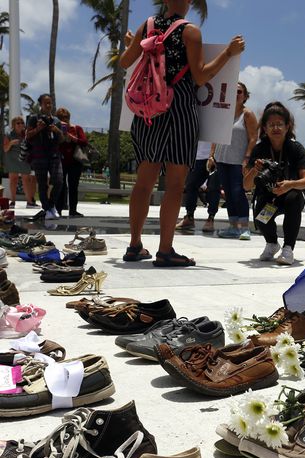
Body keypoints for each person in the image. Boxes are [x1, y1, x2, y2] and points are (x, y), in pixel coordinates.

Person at [119, 0, 245, 266]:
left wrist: (136, 42)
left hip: (147, 112)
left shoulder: (148, 25)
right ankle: (165, 250)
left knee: (144, 182)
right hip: (178, 110)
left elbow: (124, 61)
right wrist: (229, 54)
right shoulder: (190, 31)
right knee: (175, 184)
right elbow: (200, 77)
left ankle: (134, 246)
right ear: (188, 3)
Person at [244, 102, 305, 265]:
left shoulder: (295, 148)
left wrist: (289, 184)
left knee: (293, 199)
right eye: (271, 125)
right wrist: (254, 170)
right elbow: (246, 186)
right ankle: (272, 243)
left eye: (280, 124)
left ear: (287, 127)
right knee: (260, 216)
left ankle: (288, 248)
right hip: (270, 197)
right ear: (264, 128)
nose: (276, 128)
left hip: (290, 195)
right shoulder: (259, 149)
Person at [212, 81, 258, 239]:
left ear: (245, 96)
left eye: (239, 92)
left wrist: (247, 158)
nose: (236, 94)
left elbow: (253, 138)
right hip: (222, 158)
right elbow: (215, 135)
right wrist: (212, 156)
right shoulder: (224, 113)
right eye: (233, 91)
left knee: (239, 193)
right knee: (228, 194)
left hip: (238, 160)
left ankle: (244, 227)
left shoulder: (248, 114)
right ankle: (233, 226)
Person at [24, 93, 64, 220]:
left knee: (58, 181)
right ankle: (47, 209)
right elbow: (27, 136)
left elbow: (63, 139)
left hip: (54, 155)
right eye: (46, 103)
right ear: (40, 104)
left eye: (50, 102)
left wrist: (57, 131)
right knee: (42, 184)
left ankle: (51, 206)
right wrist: (38, 129)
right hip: (39, 155)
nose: (49, 105)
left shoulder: (56, 121)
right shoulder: (34, 118)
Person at [175, 141, 221, 232]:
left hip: (215, 156)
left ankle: (211, 218)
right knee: (190, 185)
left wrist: (212, 154)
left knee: (213, 187)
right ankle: (189, 216)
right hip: (197, 155)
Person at [55, 108, 88, 217]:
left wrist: (72, 137)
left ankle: (73, 210)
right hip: (61, 161)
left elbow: (84, 142)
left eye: (66, 118)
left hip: (75, 161)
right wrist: (59, 134)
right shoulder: (55, 130)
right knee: (61, 186)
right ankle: (58, 209)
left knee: (73, 186)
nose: (65, 120)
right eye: (62, 118)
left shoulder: (77, 128)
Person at [2, 116, 38, 209]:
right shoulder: (8, 134)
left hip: (24, 158)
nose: (21, 124)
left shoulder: (26, 134)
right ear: (13, 125)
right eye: (18, 123)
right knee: (13, 179)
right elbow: (5, 149)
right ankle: (13, 201)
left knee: (26, 179)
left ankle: (29, 201)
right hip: (12, 159)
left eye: (22, 122)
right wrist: (11, 143)